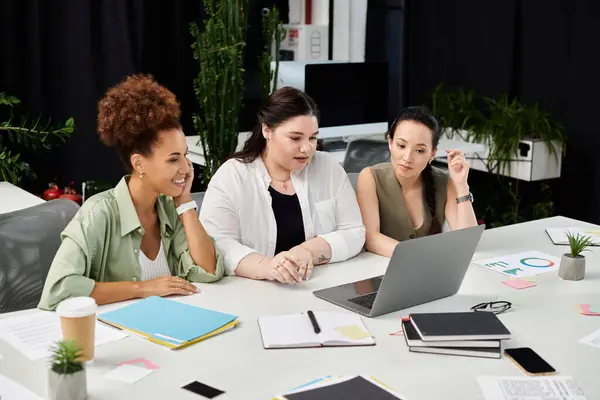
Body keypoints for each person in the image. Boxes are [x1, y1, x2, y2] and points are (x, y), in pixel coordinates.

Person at [38, 74, 224, 310]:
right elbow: (59, 289)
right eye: (173, 159)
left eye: (185, 156)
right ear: (139, 164)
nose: (187, 169)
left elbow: (208, 271)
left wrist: (185, 202)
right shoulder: (99, 213)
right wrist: (143, 289)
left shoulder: (171, 207)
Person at [200, 86, 365, 284]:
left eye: (312, 138)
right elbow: (217, 243)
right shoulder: (232, 175)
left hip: (317, 286)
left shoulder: (328, 168)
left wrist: (306, 252)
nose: (307, 148)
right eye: (295, 138)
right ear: (267, 130)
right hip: (251, 292)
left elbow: (354, 232)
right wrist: (268, 267)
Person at [356, 106, 477, 258]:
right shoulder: (370, 177)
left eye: (419, 150)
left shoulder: (444, 181)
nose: (407, 158)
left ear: (432, 153)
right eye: (401, 146)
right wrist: (418, 256)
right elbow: (371, 239)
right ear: (390, 143)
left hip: (430, 272)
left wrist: (461, 185)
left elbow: (467, 242)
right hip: (382, 274)